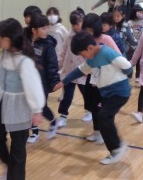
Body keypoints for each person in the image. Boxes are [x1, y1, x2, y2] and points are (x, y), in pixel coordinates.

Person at [0, 18, 45, 180]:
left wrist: (37, 110)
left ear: (8, 39)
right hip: (3, 101)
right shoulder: (4, 55)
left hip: (19, 106)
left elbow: (34, 86)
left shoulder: (24, 61)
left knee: (18, 144)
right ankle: (9, 165)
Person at [63, 31, 132, 165]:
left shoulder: (107, 53)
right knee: (104, 118)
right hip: (106, 94)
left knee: (103, 116)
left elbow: (127, 66)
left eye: (83, 54)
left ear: (89, 48)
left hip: (119, 92)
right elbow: (80, 70)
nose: (83, 57)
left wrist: (123, 78)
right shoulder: (91, 59)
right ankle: (117, 147)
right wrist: (64, 81)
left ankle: (116, 149)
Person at [80, 13, 121, 143]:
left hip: (106, 81)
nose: (88, 32)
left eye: (90, 29)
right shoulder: (86, 41)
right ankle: (96, 132)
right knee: (93, 107)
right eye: (86, 29)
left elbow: (118, 56)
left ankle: (106, 134)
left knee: (104, 109)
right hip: (92, 78)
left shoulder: (106, 39)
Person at [26, 14, 63, 143]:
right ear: (34, 30)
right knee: (30, 106)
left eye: (47, 28)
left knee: (41, 106)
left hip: (42, 82)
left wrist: (55, 81)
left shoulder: (48, 45)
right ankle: (34, 132)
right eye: (43, 28)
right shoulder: (27, 41)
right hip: (28, 81)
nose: (46, 31)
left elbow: (53, 64)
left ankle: (53, 121)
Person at [56, 11, 90, 128]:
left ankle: (90, 111)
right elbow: (62, 52)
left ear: (83, 22)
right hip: (69, 71)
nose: (75, 27)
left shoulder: (87, 36)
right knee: (67, 96)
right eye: (73, 24)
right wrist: (59, 65)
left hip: (83, 72)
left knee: (87, 94)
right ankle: (63, 116)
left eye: (77, 24)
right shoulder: (68, 36)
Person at [128, 5, 143, 82]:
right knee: (130, 61)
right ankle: (129, 75)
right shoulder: (129, 22)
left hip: (141, 45)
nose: (141, 13)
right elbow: (128, 34)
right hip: (131, 46)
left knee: (139, 61)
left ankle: (138, 76)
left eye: (142, 12)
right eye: (139, 12)